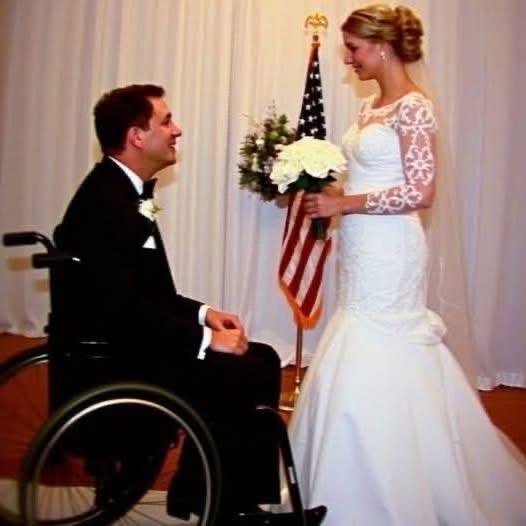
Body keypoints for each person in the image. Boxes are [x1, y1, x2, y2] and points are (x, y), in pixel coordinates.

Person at [287, 4, 526, 525]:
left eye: (354, 49)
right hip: (361, 247)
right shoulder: (370, 107)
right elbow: (369, 178)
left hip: (392, 249)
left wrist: (344, 203)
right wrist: (319, 186)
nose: (347, 59)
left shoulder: (414, 107)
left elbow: (421, 191)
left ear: (382, 47)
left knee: (381, 343)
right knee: (356, 334)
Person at [55, 84, 284, 524]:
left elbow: (146, 292)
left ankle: (213, 496)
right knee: (246, 369)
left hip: (132, 337)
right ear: (137, 136)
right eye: (166, 121)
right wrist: (204, 341)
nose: (176, 130)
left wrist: (203, 314)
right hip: (121, 357)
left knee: (263, 358)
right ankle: (224, 505)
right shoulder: (107, 202)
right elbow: (121, 308)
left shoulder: (126, 191)